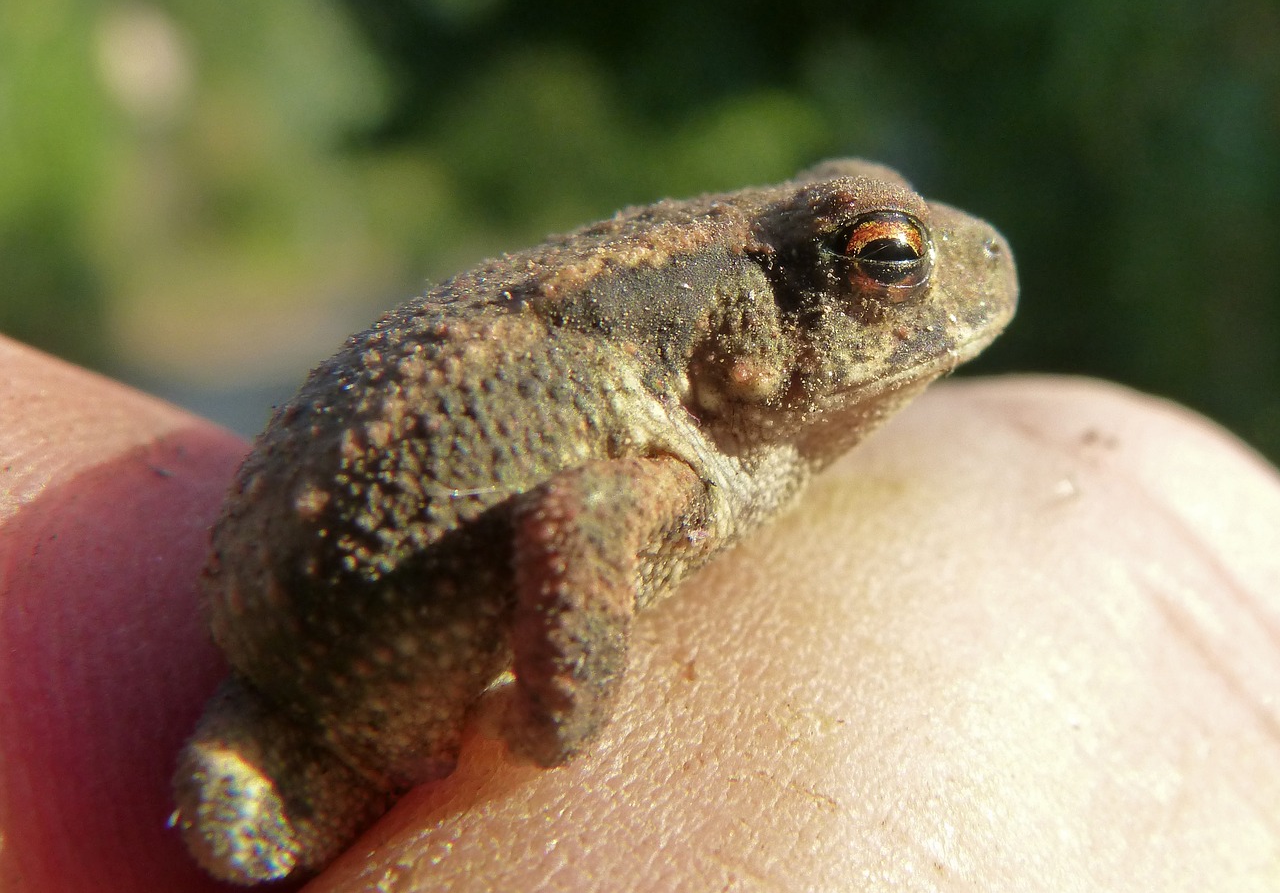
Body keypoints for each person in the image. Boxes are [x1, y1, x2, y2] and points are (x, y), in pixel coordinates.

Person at [2, 332, 1277, 892]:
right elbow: (581, 517)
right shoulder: (657, 445)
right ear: (743, 336)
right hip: (329, 682)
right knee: (227, 824)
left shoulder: (693, 390)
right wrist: (563, 718)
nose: (916, 282)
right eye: (879, 268)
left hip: (259, 603)